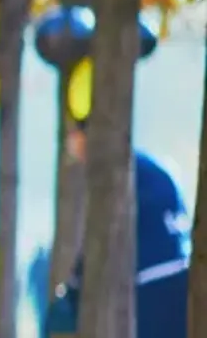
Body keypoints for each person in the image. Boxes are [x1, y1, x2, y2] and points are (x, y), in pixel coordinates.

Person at [40, 118, 189, 338]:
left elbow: (102, 236)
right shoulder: (151, 168)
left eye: (76, 144)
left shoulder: (117, 174)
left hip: (149, 286)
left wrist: (74, 284)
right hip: (179, 277)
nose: (76, 155)